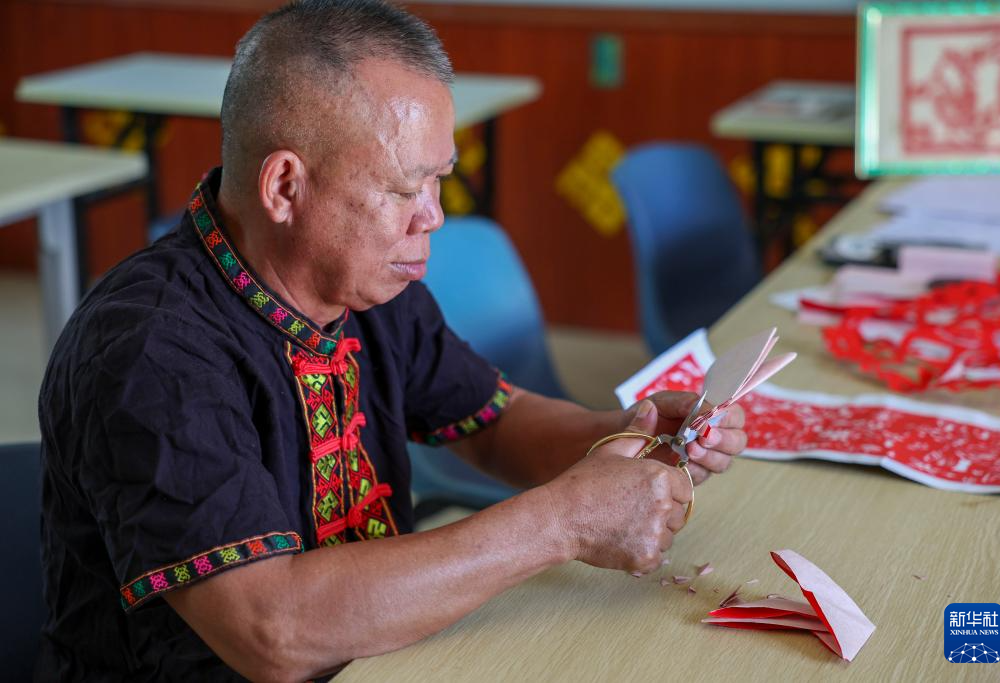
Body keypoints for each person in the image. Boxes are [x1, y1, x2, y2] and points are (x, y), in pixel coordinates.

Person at [36, 1, 747, 681]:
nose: (432, 217)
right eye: (405, 189)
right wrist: (564, 521)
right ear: (284, 187)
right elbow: (273, 632)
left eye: (439, 181)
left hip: (386, 656)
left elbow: (492, 423)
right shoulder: (150, 348)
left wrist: (627, 434)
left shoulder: (365, 284)